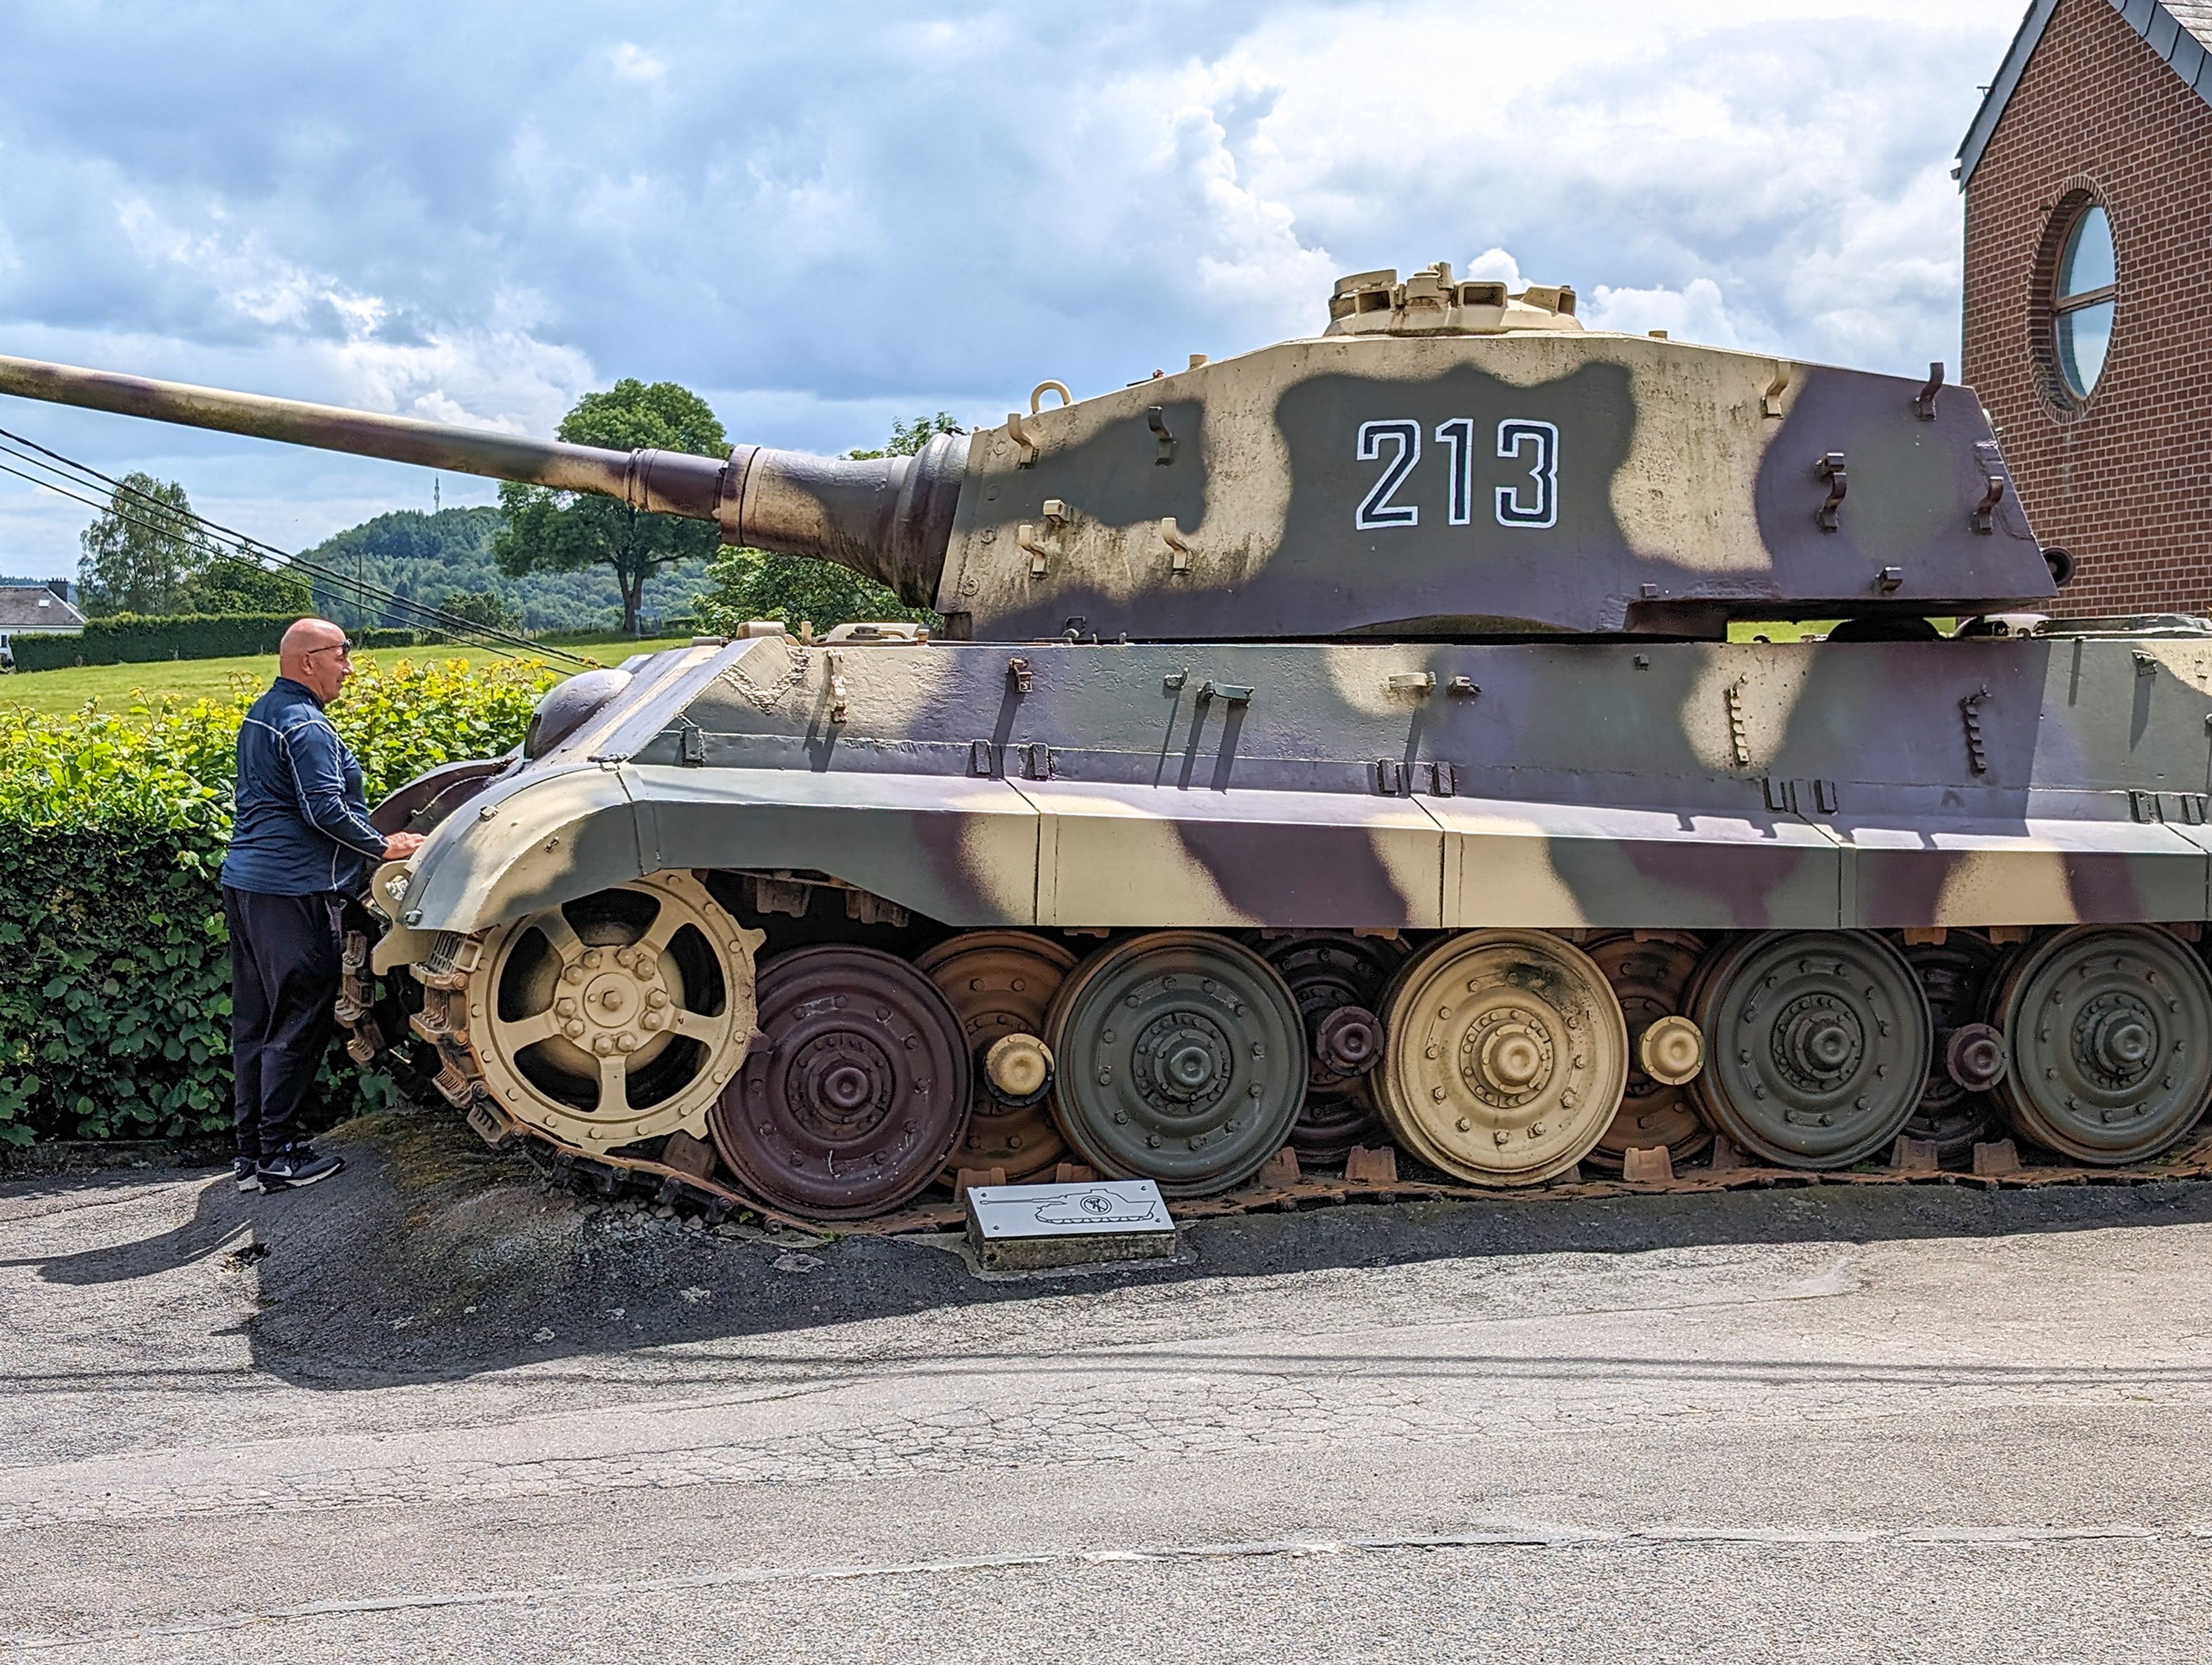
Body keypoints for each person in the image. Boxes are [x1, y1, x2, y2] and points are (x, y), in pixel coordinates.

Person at [221, 619, 423, 1193]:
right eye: (342, 654)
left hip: (247, 885)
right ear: (309, 660)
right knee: (301, 1017)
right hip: (293, 892)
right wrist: (385, 846)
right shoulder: (306, 724)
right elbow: (324, 811)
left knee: (255, 1020)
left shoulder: (263, 712)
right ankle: (280, 1155)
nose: (349, 666)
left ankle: (251, 1155)